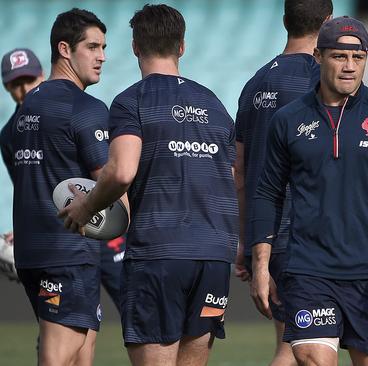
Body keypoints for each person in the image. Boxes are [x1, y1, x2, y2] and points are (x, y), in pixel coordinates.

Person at [59, 4, 237, 366]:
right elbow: (233, 179)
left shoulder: (131, 101)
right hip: (214, 256)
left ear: (135, 47)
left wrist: (86, 207)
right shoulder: (215, 104)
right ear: (182, 47)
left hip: (159, 254)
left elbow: (122, 171)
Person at [250, 16, 368, 365]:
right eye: (339, 57)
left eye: (358, 58)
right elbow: (267, 194)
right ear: (318, 57)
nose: (349, 67)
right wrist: (261, 265)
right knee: (312, 359)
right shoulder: (286, 120)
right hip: (309, 271)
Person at [233, 1, 332, 365]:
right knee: (310, 348)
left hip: (268, 231)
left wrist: (247, 238)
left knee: (290, 346)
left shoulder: (255, 81)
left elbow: (239, 170)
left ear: (285, 21)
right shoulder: (320, 77)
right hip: (310, 235)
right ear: (328, 23)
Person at [9, 8, 108, 366]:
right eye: (93, 47)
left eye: (103, 47)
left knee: (83, 354)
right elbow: (108, 179)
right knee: (59, 358)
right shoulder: (85, 108)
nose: (102, 57)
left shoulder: (21, 114)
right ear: (65, 49)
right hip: (69, 253)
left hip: (33, 254)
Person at [0, 48, 44, 282]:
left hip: (98, 222)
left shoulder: (72, 112)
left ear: (42, 75)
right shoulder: (8, 136)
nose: (25, 89)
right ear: (7, 87)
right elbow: (26, 193)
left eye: (30, 79)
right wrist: (24, 230)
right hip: (57, 237)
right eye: (17, 84)